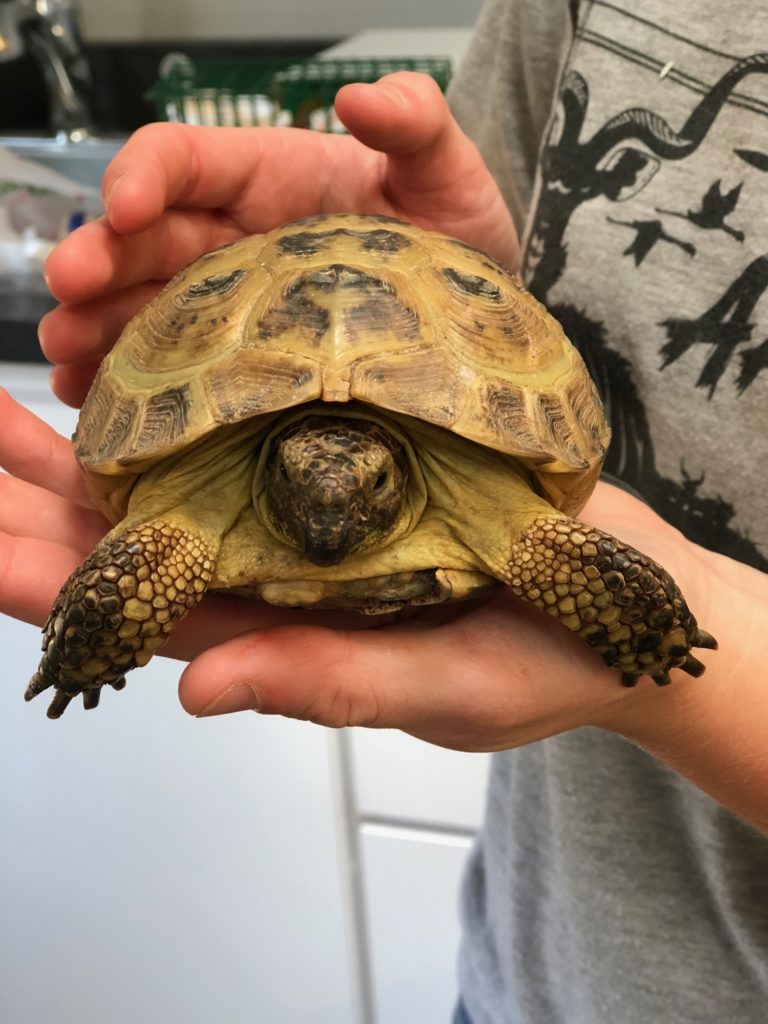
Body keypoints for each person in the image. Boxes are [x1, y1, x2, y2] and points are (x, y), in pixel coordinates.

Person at [0, 1, 766, 1020]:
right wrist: (91, 636)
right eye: (297, 487)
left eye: (362, 488)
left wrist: (673, 669)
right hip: (525, 963)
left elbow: (591, 569)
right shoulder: (200, 498)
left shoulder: (506, 516)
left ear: (402, 474)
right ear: (265, 471)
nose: (329, 514)